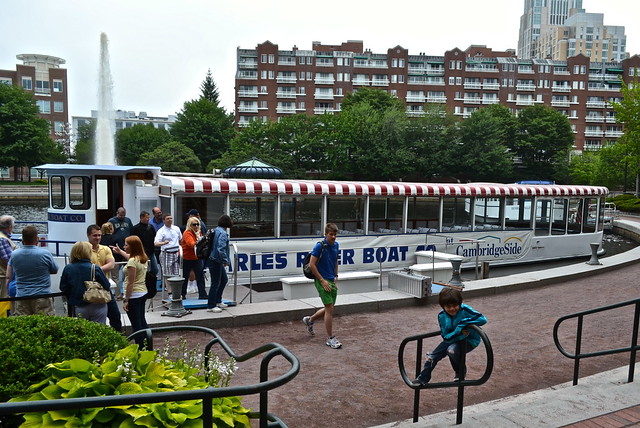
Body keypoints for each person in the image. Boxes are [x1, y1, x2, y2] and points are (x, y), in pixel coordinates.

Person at [414, 287, 487, 386]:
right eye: (448, 306)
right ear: (443, 307)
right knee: (431, 357)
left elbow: (482, 319)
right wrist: (458, 332)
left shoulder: (465, 309)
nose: (452, 309)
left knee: (451, 350)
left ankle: (460, 371)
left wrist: (462, 323)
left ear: (459, 303)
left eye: (455, 305)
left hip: (469, 339)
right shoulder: (442, 316)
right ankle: (423, 378)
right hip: (454, 338)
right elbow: (445, 336)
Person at [301, 223, 342, 349]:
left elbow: (335, 261)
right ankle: (330, 338)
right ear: (326, 234)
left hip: (331, 280)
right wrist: (322, 281)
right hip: (321, 281)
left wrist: (336, 277)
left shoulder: (336, 245)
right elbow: (312, 265)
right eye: (331, 234)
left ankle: (310, 320)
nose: (334, 237)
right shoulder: (320, 246)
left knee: (329, 308)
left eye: (335, 234)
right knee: (329, 308)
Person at [6, 226, 58, 316]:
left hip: (22, 296)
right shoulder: (45, 254)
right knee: (44, 325)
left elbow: (8, 275)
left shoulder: (14, 255)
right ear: (36, 238)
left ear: (23, 239)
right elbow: (55, 270)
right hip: (42, 296)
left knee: (24, 326)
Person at [60, 241, 111, 324]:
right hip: (97, 304)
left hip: (79, 305)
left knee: (83, 332)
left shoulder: (68, 268)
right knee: (99, 332)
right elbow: (107, 285)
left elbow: (63, 287)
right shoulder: (95, 268)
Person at [113, 235, 149, 348]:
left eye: (126, 245)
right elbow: (130, 257)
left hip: (134, 295)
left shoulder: (132, 262)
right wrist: (120, 252)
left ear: (132, 246)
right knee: (142, 321)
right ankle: (148, 344)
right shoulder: (142, 258)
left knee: (136, 324)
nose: (124, 246)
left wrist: (126, 300)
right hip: (142, 292)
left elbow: (130, 283)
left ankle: (140, 347)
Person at [87, 224, 122, 332]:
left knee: (115, 315)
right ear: (88, 236)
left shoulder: (105, 249)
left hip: (105, 288)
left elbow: (111, 265)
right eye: (94, 236)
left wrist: (95, 271)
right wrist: (102, 269)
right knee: (92, 319)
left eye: (99, 235)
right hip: (89, 289)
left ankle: (118, 338)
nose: (97, 238)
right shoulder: (84, 249)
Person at [206, 215, 233, 313]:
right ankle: (211, 305)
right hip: (217, 260)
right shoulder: (223, 233)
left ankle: (217, 300)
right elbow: (221, 249)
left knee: (223, 280)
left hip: (213, 259)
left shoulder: (216, 230)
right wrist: (225, 260)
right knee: (216, 283)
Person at [180, 217, 207, 300]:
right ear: (190, 225)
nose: (196, 226)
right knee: (185, 276)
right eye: (194, 224)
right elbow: (190, 244)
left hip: (197, 257)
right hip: (187, 257)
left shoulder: (199, 233)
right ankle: (182, 294)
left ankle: (202, 294)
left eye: (197, 224)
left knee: (200, 276)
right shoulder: (187, 233)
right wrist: (199, 241)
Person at [131, 210, 159, 277]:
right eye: (147, 217)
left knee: (155, 269)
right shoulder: (135, 228)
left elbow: (154, 237)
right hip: (141, 253)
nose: (148, 219)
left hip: (151, 252)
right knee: (143, 270)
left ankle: (152, 283)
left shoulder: (151, 227)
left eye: (149, 218)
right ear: (141, 218)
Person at [154, 213, 182, 279]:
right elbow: (156, 243)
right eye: (167, 219)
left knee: (177, 274)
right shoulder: (161, 231)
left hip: (176, 253)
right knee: (167, 274)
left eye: (171, 218)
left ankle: (175, 289)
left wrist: (179, 250)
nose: (170, 220)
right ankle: (169, 289)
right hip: (166, 253)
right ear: (164, 221)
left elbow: (181, 240)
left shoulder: (176, 228)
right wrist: (163, 243)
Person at [0, 215, 17, 301]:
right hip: (3, 276)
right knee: (4, 302)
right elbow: (8, 260)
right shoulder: (2, 239)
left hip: (4, 275)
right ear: (9, 227)